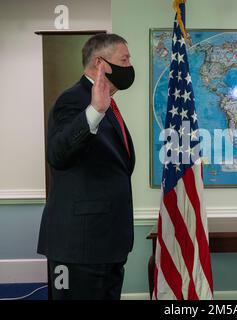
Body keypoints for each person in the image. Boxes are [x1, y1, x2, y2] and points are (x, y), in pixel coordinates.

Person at [37, 33, 136, 300]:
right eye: (124, 60)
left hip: (107, 245)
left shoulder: (108, 104)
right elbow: (58, 154)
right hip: (78, 248)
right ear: (100, 63)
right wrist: (93, 110)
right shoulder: (73, 100)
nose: (130, 66)